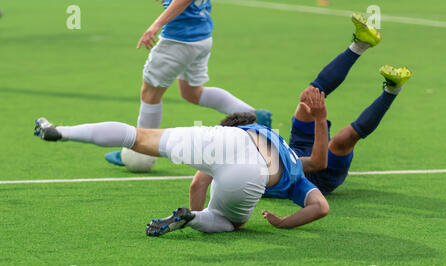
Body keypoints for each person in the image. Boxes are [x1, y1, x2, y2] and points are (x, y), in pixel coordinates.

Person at [189, 14, 412, 228]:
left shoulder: (255, 153)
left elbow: (199, 183)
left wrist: (198, 218)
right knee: (344, 139)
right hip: (319, 175)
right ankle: (393, 89)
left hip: (294, 150)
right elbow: (318, 163)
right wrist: (320, 118)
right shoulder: (283, 178)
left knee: (307, 98)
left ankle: (361, 44)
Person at [34, 86, 330, 236]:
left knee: (137, 136)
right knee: (231, 222)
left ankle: (60, 131)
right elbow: (320, 203)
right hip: (254, 171)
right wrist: (283, 223)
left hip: (220, 140)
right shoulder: (296, 174)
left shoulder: (254, 133)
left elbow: (198, 184)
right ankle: (194, 219)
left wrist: (316, 115)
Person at [105, 0, 272, 168]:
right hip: (201, 37)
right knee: (191, 92)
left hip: (178, 40)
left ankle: (139, 150)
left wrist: (156, 25)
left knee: (150, 94)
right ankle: (254, 116)